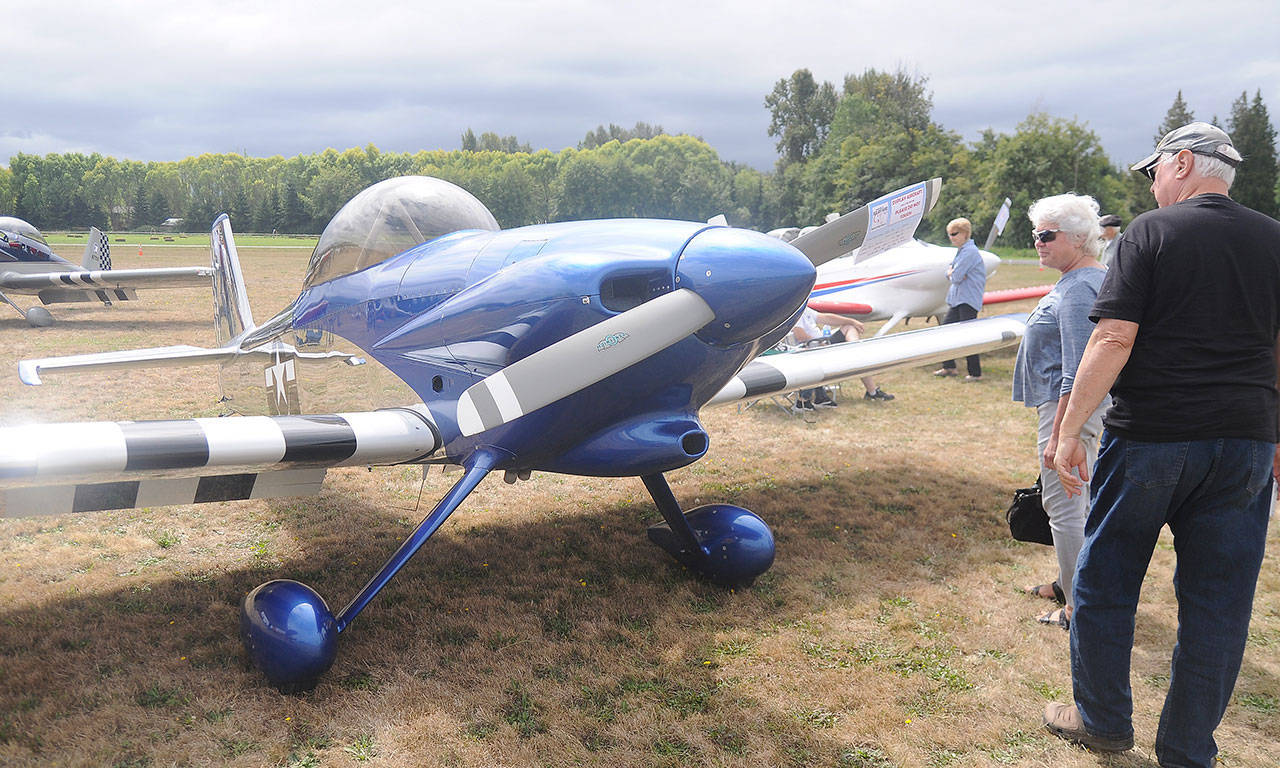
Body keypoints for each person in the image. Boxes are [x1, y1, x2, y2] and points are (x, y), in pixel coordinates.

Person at [1044, 122, 1280, 766]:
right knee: (1220, 604)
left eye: (1153, 173)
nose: (1150, 186)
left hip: (1153, 437)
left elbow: (1114, 338)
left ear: (1180, 163)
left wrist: (1068, 431)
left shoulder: (1150, 232)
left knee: (1103, 581)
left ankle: (1102, 722)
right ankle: (1185, 749)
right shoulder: (1273, 237)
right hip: (1245, 443)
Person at [1012, 194, 1110, 631]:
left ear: (1076, 238)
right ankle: (1069, 581)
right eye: (1036, 234)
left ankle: (1076, 606)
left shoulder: (1080, 288)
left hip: (1066, 409)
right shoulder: (1077, 280)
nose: (1038, 242)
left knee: (1064, 506)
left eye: (1046, 235)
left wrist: (1059, 436)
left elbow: (1077, 370)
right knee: (1072, 503)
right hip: (1065, 408)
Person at [790, 307, 893, 410]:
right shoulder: (794, 312)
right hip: (812, 349)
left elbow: (826, 318)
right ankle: (872, 391)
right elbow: (801, 336)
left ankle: (855, 350)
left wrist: (852, 321)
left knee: (849, 327)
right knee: (858, 358)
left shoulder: (804, 309)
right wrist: (821, 344)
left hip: (823, 345)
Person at [934, 217, 987, 380]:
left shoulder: (969, 252)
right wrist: (952, 272)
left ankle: (975, 373)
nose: (951, 237)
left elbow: (955, 276)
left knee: (968, 335)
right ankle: (949, 367)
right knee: (946, 331)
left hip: (968, 300)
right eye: (949, 234)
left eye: (954, 234)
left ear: (965, 233)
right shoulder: (962, 251)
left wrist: (952, 272)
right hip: (958, 300)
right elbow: (950, 272)